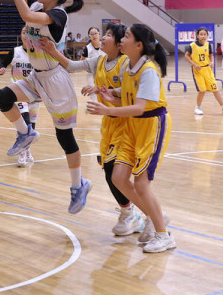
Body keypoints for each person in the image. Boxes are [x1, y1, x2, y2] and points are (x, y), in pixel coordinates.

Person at [0, 0, 90, 214]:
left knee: (65, 139)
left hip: (57, 81)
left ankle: (78, 185)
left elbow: (23, 10)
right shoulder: (39, 4)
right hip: (36, 77)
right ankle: (26, 133)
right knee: (1, 97)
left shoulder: (56, 15)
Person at [43, 22, 146, 237]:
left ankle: (136, 214)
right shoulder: (98, 60)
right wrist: (53, 51)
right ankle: (134, 213)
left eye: (107, 34)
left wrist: (105, 90)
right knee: (111, 173)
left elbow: (129, 92)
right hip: (109, 124)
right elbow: (71, 66)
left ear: (119, 44)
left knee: (116, 172)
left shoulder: (127, 63)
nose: (102, 37)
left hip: (128, 124)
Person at [87, 24, 175, 253]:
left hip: (150, 127)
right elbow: (126, 100)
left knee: (141, 183)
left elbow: (138, 108)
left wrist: (107, 109)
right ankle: (153, 215)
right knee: (118, 177)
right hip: (133, 127)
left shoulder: (148, 70)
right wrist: (109, 95)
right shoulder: (129, 68)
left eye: (126, 36)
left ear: (138, 45)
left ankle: (164, 234)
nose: (121, 40)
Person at [0, 31, 39, 167]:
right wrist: (1, 68)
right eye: (23, 32)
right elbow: (3, 63)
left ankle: (28, 149)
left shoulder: (38, 54)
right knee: (24, 121)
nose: (25, 35)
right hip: (18, 92)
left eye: (28, 33)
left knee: (32, 125)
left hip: (33, 93)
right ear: (21, 36)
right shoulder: (15, 51)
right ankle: (22, 152)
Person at [184, 27, 223, 116]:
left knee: (215, 89)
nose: (203, 36)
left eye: (205, 34)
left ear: (207, 35)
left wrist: (212, 62)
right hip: (198, 70)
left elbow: (211, 55)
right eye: (201, 34)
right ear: (197, 36)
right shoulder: (192, 46)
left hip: (207, 70)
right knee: (202, 90)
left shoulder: (208, 45)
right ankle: (198, 107)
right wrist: (194, 64)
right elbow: (187, 56)